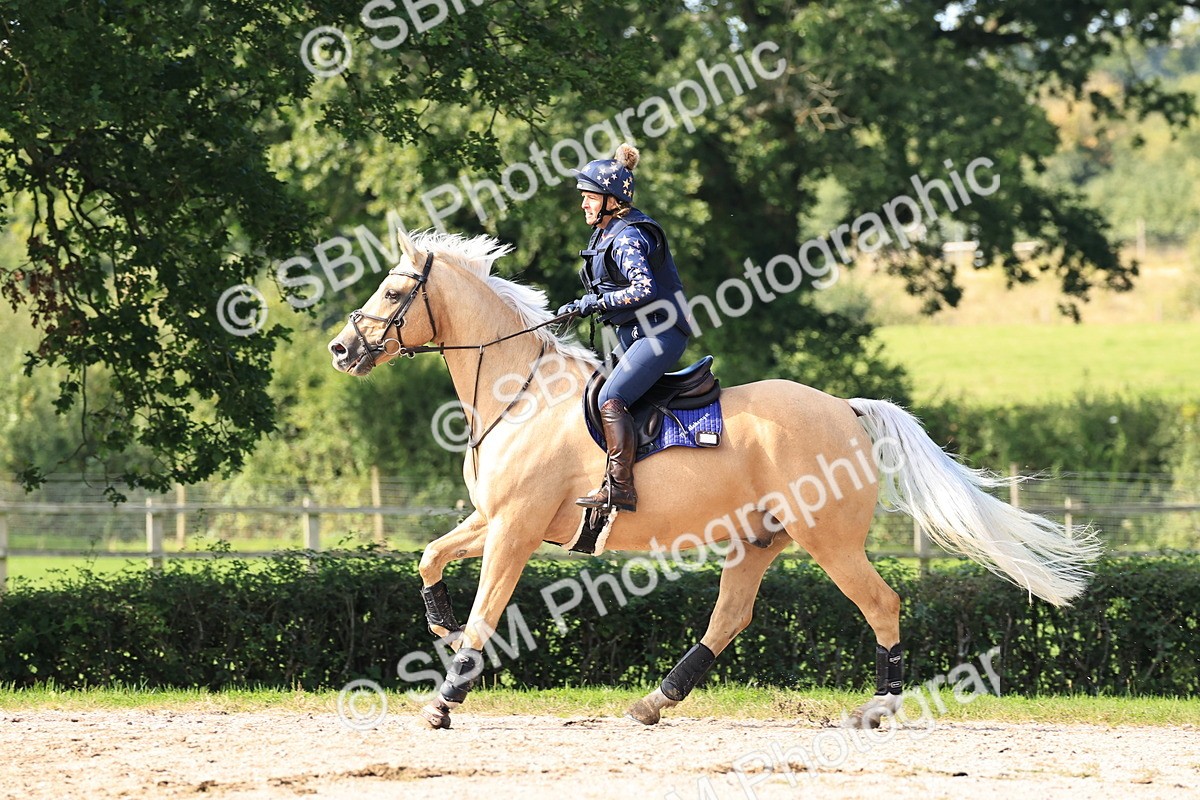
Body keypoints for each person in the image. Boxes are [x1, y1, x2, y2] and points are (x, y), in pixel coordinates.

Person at [557, 143, 693, 512]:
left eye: (589, 197)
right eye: (583, 197)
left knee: (609, 399)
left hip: (659, 334)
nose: (583, 204)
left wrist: (593, 303)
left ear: (610, 199)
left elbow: (643, 288)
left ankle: (621, 488)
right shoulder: (606, 233)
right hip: (634, 336)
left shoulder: (628, 235)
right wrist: (579, 303)